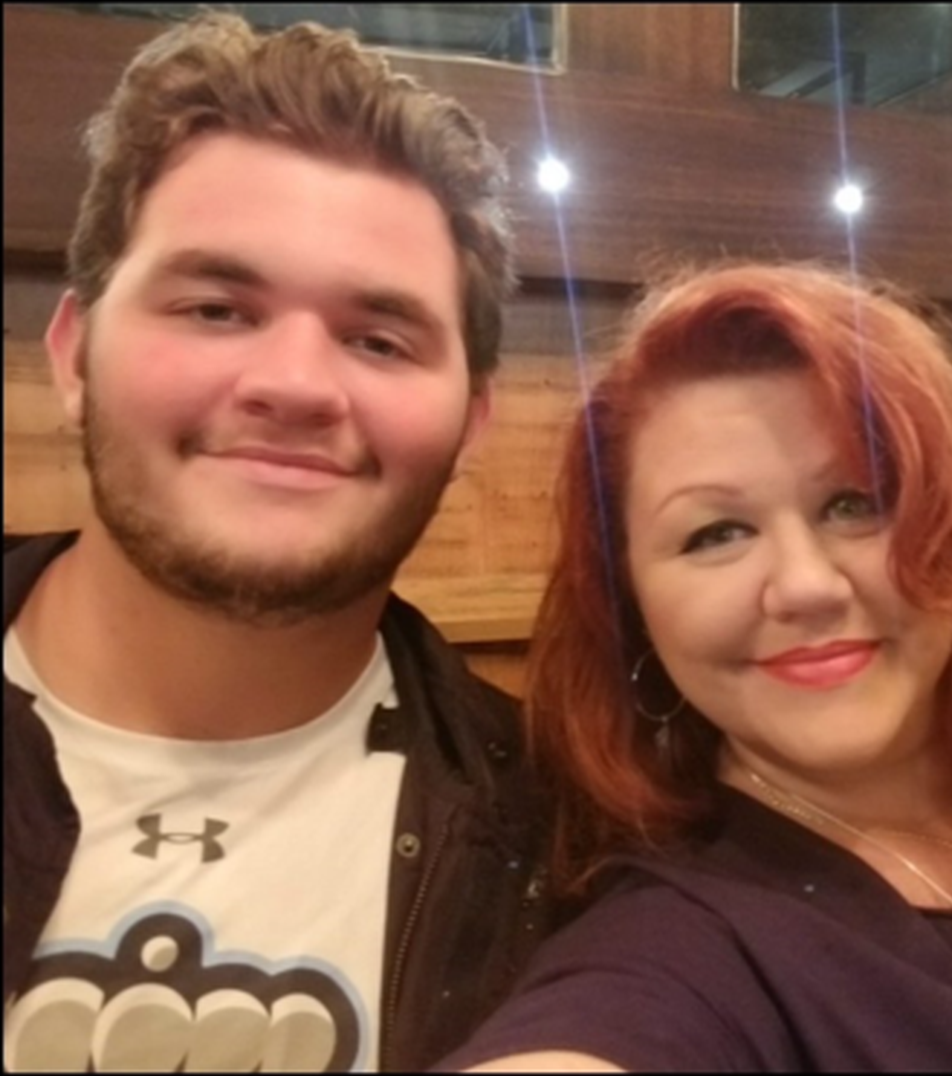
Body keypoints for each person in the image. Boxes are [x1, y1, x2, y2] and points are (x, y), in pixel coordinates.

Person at [2, 12, 553, 1073]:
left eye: (377, 338)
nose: (295, 385)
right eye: (216, 308)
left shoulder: (564, 845)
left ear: (470, 422)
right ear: (73, 356)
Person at [437, 263, 952, 1072]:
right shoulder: (683, 956)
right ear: (632, 609)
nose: (806, 586)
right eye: (716, 534)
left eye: (855, 503)